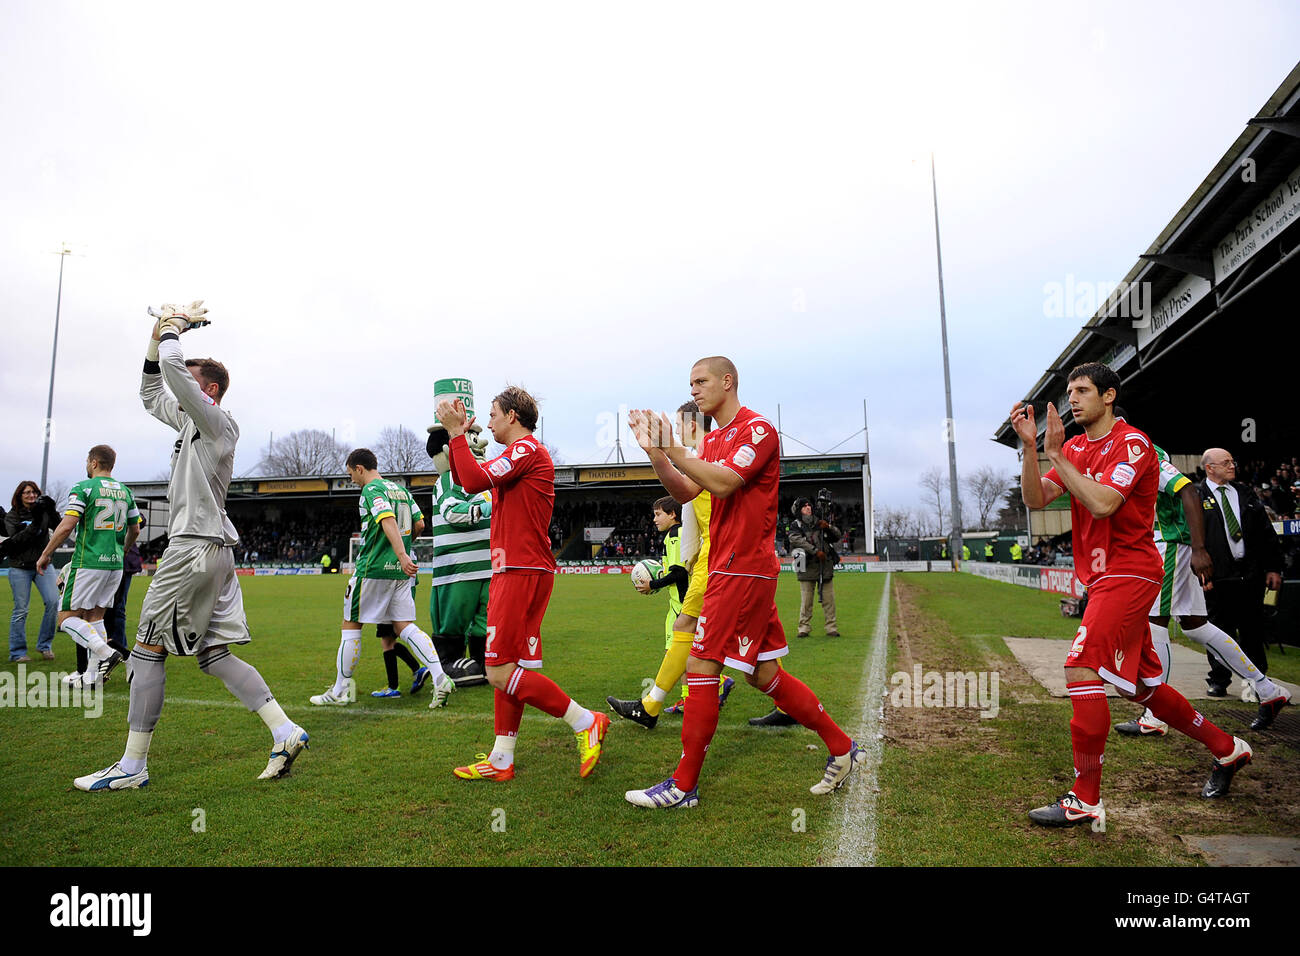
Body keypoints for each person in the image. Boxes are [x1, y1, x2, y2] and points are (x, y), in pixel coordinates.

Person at [75, 302, 309, 791]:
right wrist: (158, 333)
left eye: (188, 376)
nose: (177, 378)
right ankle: (285, 732)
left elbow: (175, 376)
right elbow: (149, 391)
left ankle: (133, 766)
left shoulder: (218, 422)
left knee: (145, 651)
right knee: (214, 655)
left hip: (194, 548)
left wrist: (175, 331)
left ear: (210, 390)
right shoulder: (188, 421)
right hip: (211, 549)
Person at [1011, 363, 1252, 832]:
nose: (1073, 399)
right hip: (1102, 578)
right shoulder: (1076, 447)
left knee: (1080, 669)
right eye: (1069, 392)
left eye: (1082, 390)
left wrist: (1056, 456)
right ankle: (1228, 748)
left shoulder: (1133, 443)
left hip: (1130, 572)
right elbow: (1036, 500)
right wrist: (1031, 449)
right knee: (1140, 688)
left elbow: (1104, 503)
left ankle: (1086, 799)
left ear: (1108, 396)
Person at [624, 356, 864, 809]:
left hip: (740, 567)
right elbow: (687, 492)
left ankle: (683, 786)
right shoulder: (713, 440)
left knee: (701, 667)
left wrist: (674, 447)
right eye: (690, 383)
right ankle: (842, 747)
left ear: (728, 381)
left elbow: (726, 484)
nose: (693, 390)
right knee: (762, 672)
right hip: (733, 568)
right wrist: (656, 452)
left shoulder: (758, 431)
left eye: (701, 381)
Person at [436, 386, 610, 781]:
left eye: (494, 413)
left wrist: (457, 435)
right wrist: (456, 437)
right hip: (520, 569)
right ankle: (501, 760)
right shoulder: (520, 455)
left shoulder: (526, 450)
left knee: (497, 671)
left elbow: (476, 481)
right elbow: (468, 481)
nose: (490, 420)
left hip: (518, 569)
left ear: (513, 416)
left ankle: (586, 721)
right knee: (510, 667)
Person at [1116, 442, 1290, 737]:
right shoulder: (1130, 449)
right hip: (1177, 543)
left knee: (1155, 622)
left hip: (1172, 543)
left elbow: (1186, 489)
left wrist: (1198, 548)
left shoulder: (1141, 449)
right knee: (1196, 626)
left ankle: (1155, 716)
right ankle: (1267, 688)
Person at [607, 403, 734, 728]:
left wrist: (663, 450)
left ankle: (651, 706)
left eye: (679, 424)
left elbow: (684, 491)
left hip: (719, 556)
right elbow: (683, 491)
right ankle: (787, 702)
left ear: (692, 423)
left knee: (685, 628)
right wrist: (656, 452)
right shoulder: (705, 451)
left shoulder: (710, 450)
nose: (677, 431)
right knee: (760, 653)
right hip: (721, 555)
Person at [310, 449, 453, 708]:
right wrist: (403, 555)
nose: (351, 479)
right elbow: (420, 525)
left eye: (351, 473)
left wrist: (398, 553)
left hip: (373, 570)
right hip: (400, 573)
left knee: (351, 623)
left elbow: (386, 519)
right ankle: (440, 678)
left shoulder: (372, 490)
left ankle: (340, 690)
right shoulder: (402, 491)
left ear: (360, 468)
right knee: (405, 626)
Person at [36, 445, 143, 686]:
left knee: (66, 619)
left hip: (89, 562)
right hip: (115, 565)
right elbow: (135, 529)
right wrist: (123, 550)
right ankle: (93, 677)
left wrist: (46, 554)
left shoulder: (84, 488)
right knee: (96, 619)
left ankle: (108, 653)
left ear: (94, 463)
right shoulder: (125, 491)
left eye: (87, 460)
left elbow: (66, 526)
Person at [1198, 449, 1285, 704]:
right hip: (1217, 575)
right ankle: (1219, 680)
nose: (1232, 466)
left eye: (1232, 461)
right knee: (1218, 631)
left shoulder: (1245, 494)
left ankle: (1256, 684)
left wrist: (1273, 568)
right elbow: (1195, 541)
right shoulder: (1196, 495)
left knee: (1252, 631)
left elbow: (1266, 534)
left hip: (1249, 574)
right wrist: (1201, 573)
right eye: (1225, 462)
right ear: (1209, 468)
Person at [424, 377, 493, 688]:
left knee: (484, 618)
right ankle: (449, 661)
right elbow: (452, 511)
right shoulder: (447, 481)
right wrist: (483, 507)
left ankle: (482, 660)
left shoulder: (483, 477)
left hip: (488, 568)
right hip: (457, 571)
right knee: (454, 616)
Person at [5, 481, 61, 661]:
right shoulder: (12, 517)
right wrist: (34, 523)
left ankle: (45, 646)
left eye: (34, 492)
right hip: (20, 566)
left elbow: (59, 527)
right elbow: (15, 541)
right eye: (27, 493)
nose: (31, 495)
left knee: (53, 602)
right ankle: (18, 652)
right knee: (21, 610)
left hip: (43, 565)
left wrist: (51, 511)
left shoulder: (43, 512)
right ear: (19, 496)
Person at [787, 494, 841, 638]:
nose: (808, 507)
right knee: (806, 601)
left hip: (825, 566)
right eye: (804, 506)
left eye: (809, 505)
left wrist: (828, 527)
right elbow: (797, 540)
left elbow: (837, 536)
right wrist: (816, 551)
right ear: (798, 510)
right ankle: (803, 627)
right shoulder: (795, 525)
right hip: (805, 567)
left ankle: (831, 627)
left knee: (829, 600)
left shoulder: (820, 522)